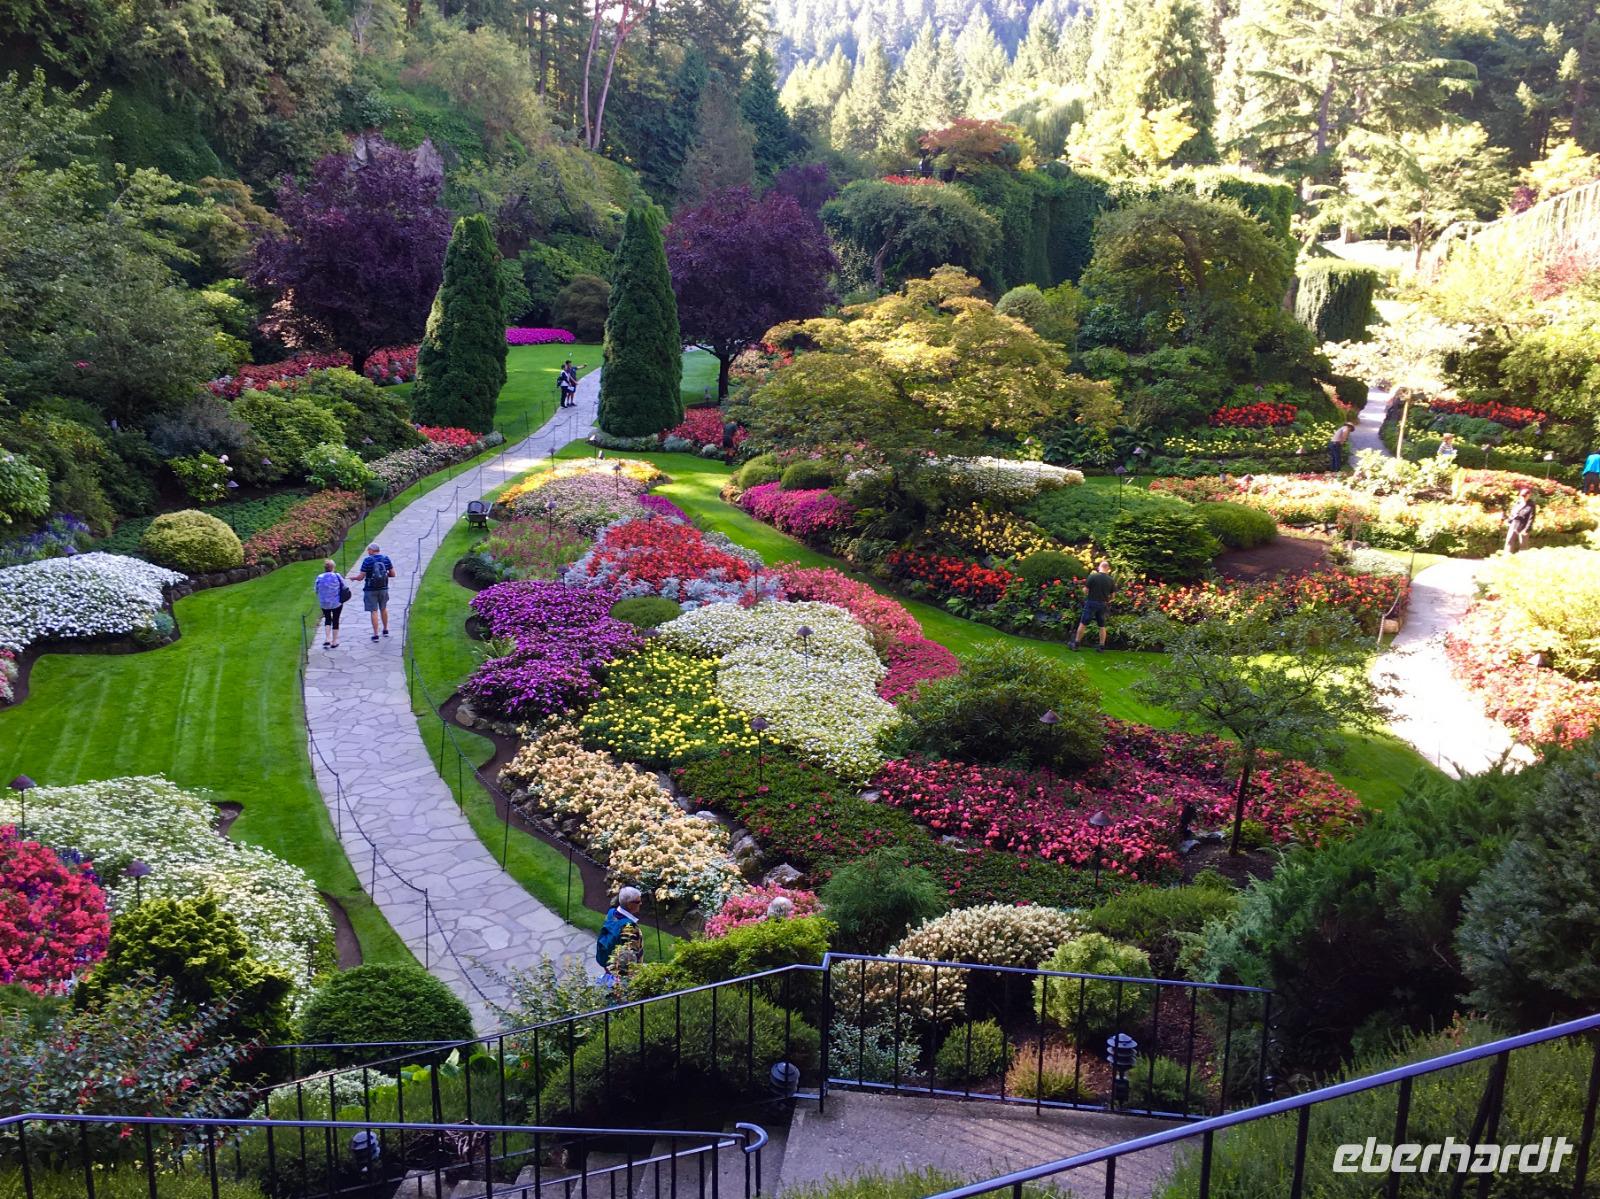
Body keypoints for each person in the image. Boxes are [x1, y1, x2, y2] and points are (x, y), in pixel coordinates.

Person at [349, 543, 397, 641]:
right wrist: (383, 576)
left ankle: (375, 635)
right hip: (383, 588)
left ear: (372, 550)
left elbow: (361, 577)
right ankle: (385, 630)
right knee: (383, 608)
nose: (367, 552)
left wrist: (353, 578)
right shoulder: (386, 559)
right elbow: (393, 574)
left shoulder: (367, 560)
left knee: (374, 611)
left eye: (368, 550)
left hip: (370, 589)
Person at [596, 885, 643, 987]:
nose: (641, 903)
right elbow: (633, 954)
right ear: (630, 905)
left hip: (607, 961)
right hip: (622, 970)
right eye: (638, 902)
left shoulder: (611, 913)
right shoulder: (630, 927)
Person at [1070, 558, 1115, 652]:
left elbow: (1085, 591)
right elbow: (1113, 596)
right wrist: (1107, 600)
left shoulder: (1093, 576)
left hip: (1091, 602)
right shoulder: (1111, 580)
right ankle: (1101, 647)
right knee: (1102, 626)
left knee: (1083, 623)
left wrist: (1084, 592)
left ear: (1099, 567)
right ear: (1108, 568)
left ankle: (1076, 644)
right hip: (1103, 604)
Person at [313, 558, 349, 650]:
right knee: (336, 620)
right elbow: (345, 586)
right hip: (336, 602)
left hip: (324, 603)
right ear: (333, 567)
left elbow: (316, 590)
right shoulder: (337, 576)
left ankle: (327, 638)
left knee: (327, 619)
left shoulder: (319, 577)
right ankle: (334, 641)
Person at [1505, 486, 1537, 554]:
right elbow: (1512, 513)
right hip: (1514, 524)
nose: (1523, 497)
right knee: (1509, 542)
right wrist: (1509, 520)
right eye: (1522, 496)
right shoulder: (1518, 503)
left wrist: (1526, 529)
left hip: (1524, 526)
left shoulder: (1531, 505)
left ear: (1529, 495)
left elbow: (1531, 518)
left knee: (1523, 545)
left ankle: (1522, 558)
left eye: (1525, 496)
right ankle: (1507, 556)